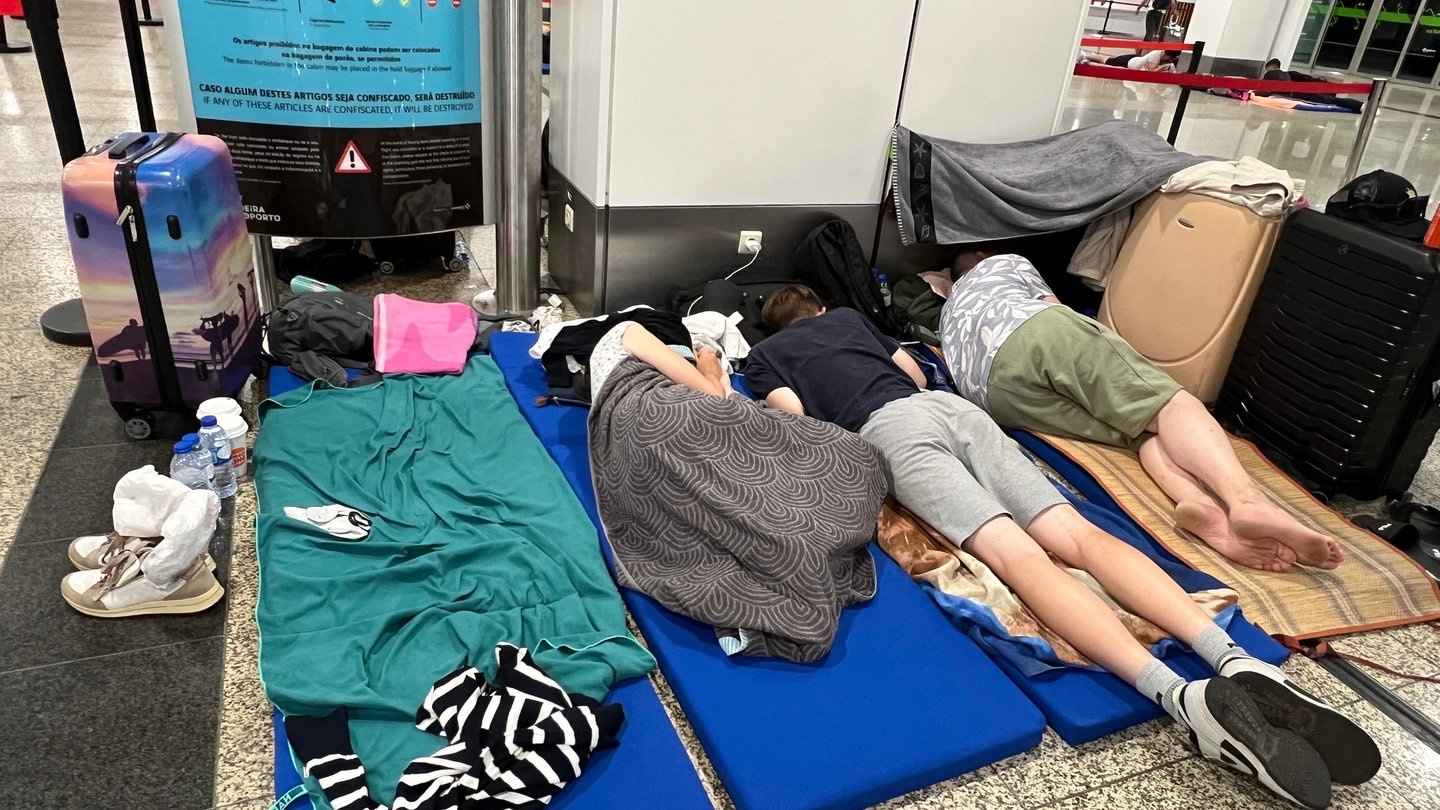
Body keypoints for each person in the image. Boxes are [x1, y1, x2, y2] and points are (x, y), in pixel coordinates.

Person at [744, 285, 1376, 807]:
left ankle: (1175, 695)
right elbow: (911, 368)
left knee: (1019, 558)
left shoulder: (767, 357)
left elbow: (796, 416)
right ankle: (1234, 659)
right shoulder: (852, 317)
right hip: (949, 411)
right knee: (1078, 535)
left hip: (890, 431)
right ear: (821, 310)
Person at [939, 250, 1344, 574]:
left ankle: (1197, 505)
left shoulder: (948, 313)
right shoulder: (1005, 264)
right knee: (1168, 404)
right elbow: (1056, 309)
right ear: (977, 257)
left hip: (994, 394)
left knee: (1140, 429)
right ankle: (1247, 501)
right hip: (1029, 330)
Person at [1260, 58, 1363, 112]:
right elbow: (1308, 79)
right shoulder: (1290, 73)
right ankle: (1360, 105)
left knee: (1331, 101)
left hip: (1298, 94)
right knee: (1331, 99)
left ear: (1272, 67)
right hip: (1307, 89)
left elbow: (1264, 88)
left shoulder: (1270, 74)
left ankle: (1359, 106)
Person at [1079, 48, 1181, 72]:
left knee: (1107, 60)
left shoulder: (1161, 56)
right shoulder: (1156, 54)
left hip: (1134, 61)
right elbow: (1151, 71)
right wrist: (1164, 66)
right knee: (1107, 61)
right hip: (1130, 62)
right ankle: (1087, 56)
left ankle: (1088, 57)